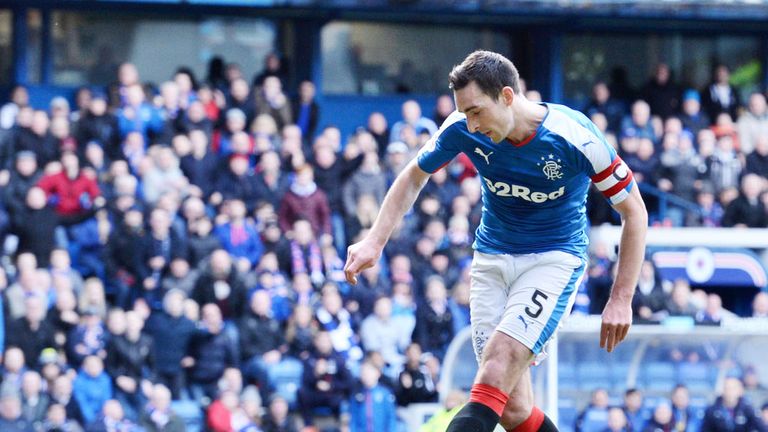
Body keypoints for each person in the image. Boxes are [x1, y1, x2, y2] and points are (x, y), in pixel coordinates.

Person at [344, 50, 648, 432]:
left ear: (507, 96)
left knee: (495, 367)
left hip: (552, 259)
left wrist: (621, 298)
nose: (470, 125)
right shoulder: (460, 126)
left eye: (476, 112)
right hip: (490, 258)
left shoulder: (575, 136)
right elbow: (413, 175)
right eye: (465, 113)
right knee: (513, 408)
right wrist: (375, 240)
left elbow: (634, 211)